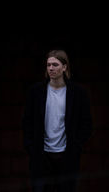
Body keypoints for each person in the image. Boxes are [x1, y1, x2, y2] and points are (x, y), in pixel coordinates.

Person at [22, 49, 92, 192]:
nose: (51, 69)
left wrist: (76, 146)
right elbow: (27, 121)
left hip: (67, 155)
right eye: (48, 65)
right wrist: (31, 146)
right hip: (42, 155)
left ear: (64, 67)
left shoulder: (78, 93)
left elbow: (87, 123)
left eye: (55, 65)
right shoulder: (36, 92)